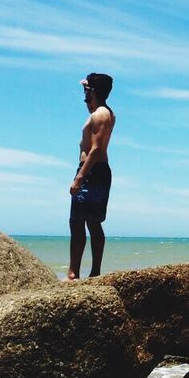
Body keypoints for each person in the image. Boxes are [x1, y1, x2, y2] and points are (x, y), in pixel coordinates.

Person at [68, 72, 115, 279]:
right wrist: (91, 98)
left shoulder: (100, 115)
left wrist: (79, 177)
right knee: (90, 221)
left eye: (87, 89)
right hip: (95, 170)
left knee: (80, 221)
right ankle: (90, 272)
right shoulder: (101, 112)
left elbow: (95, 149)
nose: (84, 93)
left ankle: (75, 273)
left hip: (92, 171)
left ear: (93, 90)